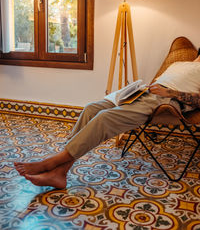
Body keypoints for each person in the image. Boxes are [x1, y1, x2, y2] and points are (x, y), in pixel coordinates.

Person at [14, 54, 200, 189]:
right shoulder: (179, 63)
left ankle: (53, 164)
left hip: (163, 102)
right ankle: (61, 172)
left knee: (103, 118)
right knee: (91, 109)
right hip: (144, 92)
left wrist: (172, 93)